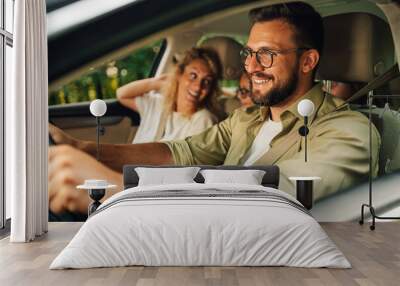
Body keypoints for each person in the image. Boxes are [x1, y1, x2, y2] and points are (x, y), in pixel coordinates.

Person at [49, 2, 380, 215]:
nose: (252, 67)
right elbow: (180, 152)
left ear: (308, 61)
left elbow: (283, 198)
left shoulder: (349, 130)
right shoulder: (245, 119)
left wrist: (119, 193)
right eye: (248, 54)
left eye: (267, 54)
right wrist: (83, 149)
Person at [117, 47, 223, 143]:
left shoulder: (203, 120)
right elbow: (122, 94)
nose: (198, 87)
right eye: (193, 75)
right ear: (179, 74)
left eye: (206, 81)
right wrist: (157, 83)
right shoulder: (157, 104)